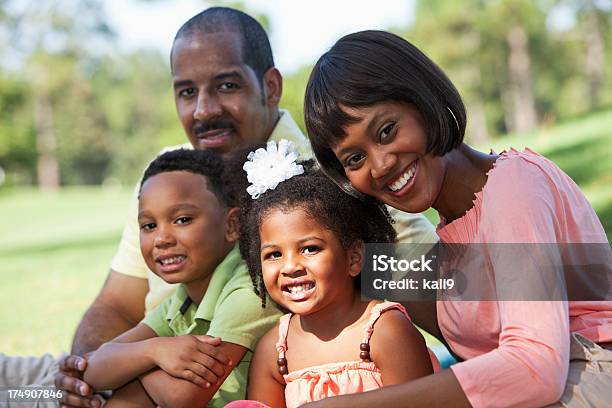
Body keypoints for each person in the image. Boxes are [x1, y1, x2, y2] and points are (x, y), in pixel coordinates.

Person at [0, 8, 437, 408]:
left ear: (270, 86)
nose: (204, 110)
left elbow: (440, 290)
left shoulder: (329, 181)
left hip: (179, 385)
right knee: (13, 383)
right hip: (118, 372)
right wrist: (83, 376)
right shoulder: (172, 179)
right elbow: (116, 303)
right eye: (187, 92)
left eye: (226, 85)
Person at [302, 30, 612, 407]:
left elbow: (537, 366)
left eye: (386, 131)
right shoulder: (440, 249)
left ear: (424, 100)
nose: (380, 165)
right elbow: (352, 273)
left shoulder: (514, 184)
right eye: (354, 159)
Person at [224, 141, 436, 408]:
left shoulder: (385, 331)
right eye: (274, 255)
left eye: (310, 249)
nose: (290, 266)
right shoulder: (275, 350)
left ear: (353, 257)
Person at [81, 148, 280, 407]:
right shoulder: (183, 300)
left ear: (232, 225)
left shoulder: (250, 290)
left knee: (131, 389)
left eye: (182, 219)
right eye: (149, 226)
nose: (162, 239)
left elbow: (184, 397)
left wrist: (131, 367)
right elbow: (91, 368)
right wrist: (153, 351)